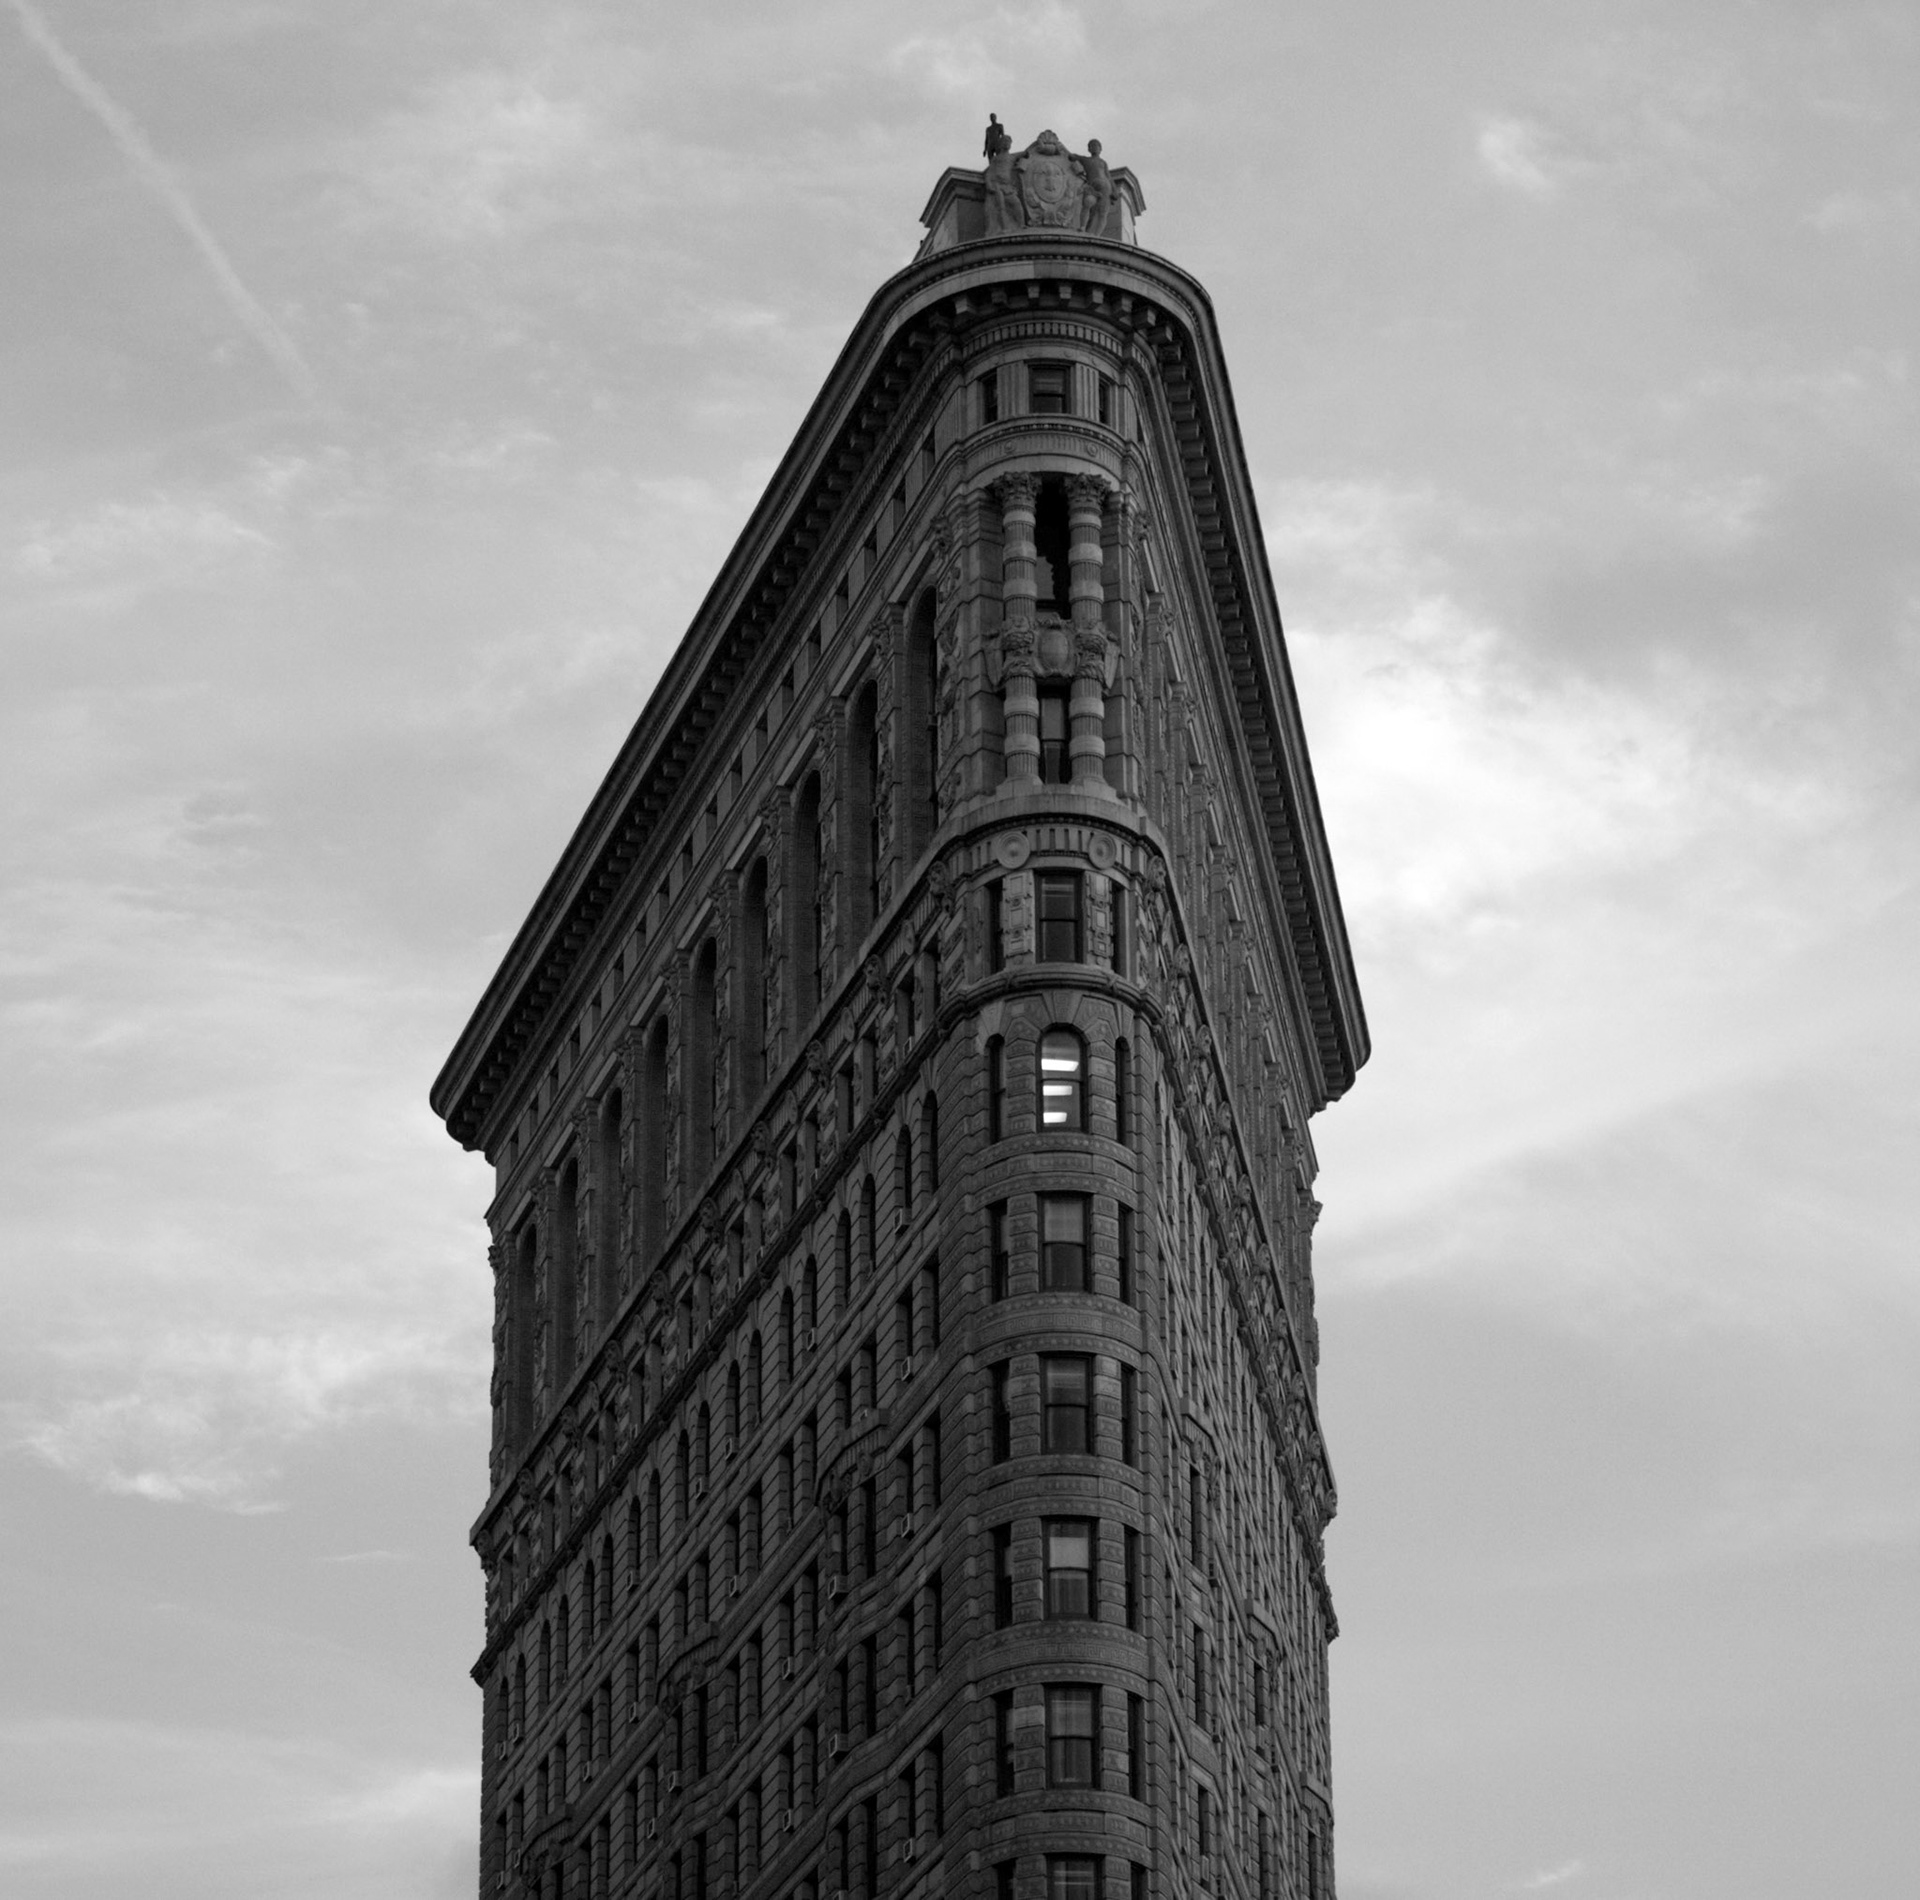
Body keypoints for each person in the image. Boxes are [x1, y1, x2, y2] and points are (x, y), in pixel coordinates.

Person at [1080, 137, 1114, 236]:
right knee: (1088, 203)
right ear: (1088, 149)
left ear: (1100, 149)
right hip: (1092, 187)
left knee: (1103, 213)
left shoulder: (1103, 163)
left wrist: (1114, 191)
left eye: (1096, 146)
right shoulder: (1085, 160)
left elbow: (1109, 177)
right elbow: (1073, 157)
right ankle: (1082, 227)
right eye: (1092, 146)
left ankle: (1097, 235)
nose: (1094, 148)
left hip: (1106, 189)